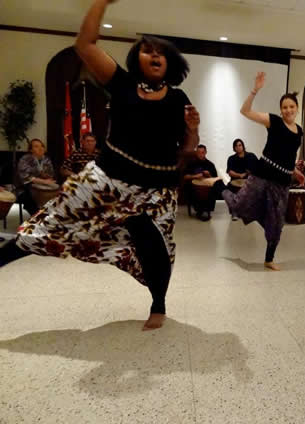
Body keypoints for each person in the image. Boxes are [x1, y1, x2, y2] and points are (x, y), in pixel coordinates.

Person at [0, 0, 201, 331]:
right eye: (147, 50)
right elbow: (84, 45)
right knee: (48, 225)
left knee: (159, 251)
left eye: (161, 52)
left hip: (158, 190)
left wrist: (193, 129)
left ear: (170, 62)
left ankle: (158, 305)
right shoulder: (121, 84)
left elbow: (188, 150)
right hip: (106, 182)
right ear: (137, 57)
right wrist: (102, 3)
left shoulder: (178, 99)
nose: (154, 55)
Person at [222, 72, 305, 271]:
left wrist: (295, 172)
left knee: (276, 224)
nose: (288, 110)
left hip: (281, 182)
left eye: (291, 106)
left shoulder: (299, 131)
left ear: (297, 108)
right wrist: (255, 90)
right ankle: (219, 185)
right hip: (261, 175)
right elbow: (245, 111)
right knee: (238, 205)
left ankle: (269, 259)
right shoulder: (274, 121)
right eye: (284, 107)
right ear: (280, 109)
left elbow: (288, 156)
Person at [182, 144, 223, 221]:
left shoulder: (210, 164)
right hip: (194, 185)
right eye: (199, 152)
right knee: (192, 188)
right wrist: (195, 176)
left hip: (207, 185)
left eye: (202, 152)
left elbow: (214, 178)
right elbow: (185, 176)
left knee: (217, 184)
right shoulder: (191, 164)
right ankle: (200, 211)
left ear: (206, 152)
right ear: (196, 153)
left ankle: (205, 210)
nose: (201, 154)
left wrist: (209, 175)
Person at [16, 138, 56, 215]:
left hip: (41, 185)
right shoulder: (25, 159)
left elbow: (50, 174)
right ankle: (38, 218)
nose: (40, 148)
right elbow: (26, 177)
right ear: (31, 150)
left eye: (42, 146)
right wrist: (44, 181)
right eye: (36, 146)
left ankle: (50, 218)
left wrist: (46, 176)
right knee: (29, 198)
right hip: (24, 187)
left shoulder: (46, 159)